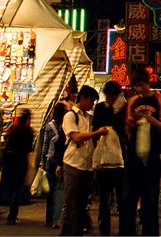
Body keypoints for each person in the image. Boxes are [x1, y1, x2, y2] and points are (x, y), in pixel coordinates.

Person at [120, 67, 161, 236]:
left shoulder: (160, 100)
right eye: (136, 86)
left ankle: (150, 232)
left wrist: (150, 120)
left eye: (141, 85)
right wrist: (130, 125)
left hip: (153, 156)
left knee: (150, 199)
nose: (139, 89)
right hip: (134, 155)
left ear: (148, 83)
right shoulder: (133, 101)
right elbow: (127, 130)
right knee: (128, 198)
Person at [61, 85, 108, 236]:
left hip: (87, 166)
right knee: (71, 204)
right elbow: (76, 137)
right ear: (83, 98)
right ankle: (67, 233)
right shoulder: (70, 116)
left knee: (81, 204)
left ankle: (77, 231)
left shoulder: (88, 117)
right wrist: (97, 132)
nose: (92, 104)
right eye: (92, 101)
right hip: (73, 164)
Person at [93, 80, 127, 236]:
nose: (110, 99)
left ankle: (123, 229)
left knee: (122, 199)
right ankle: (104, 230)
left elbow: (126, 133)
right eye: (108, 96)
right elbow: (95, 130)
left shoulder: (124, 109)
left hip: (120, 161)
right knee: (104, 199)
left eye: (112, 97)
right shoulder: (101, 108)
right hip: (104, 161)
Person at [0, 108, 35, 225]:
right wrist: (31, 167)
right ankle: (12, 215)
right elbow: (29, 150)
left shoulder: (14, 130)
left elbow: (7, 145)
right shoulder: (29, 132)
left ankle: (10, 211)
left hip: (10, 161)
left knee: (11, 187)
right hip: (20, 161)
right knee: (17, 189)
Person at [43, 102, 68, 229]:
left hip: (50, 160)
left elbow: (45, 145)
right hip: (61, 160)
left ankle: (49, 218)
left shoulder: (49, 126)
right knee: (59, 190)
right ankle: (55, 219)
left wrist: (42, 162)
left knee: (50, 192)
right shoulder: (65, 126)